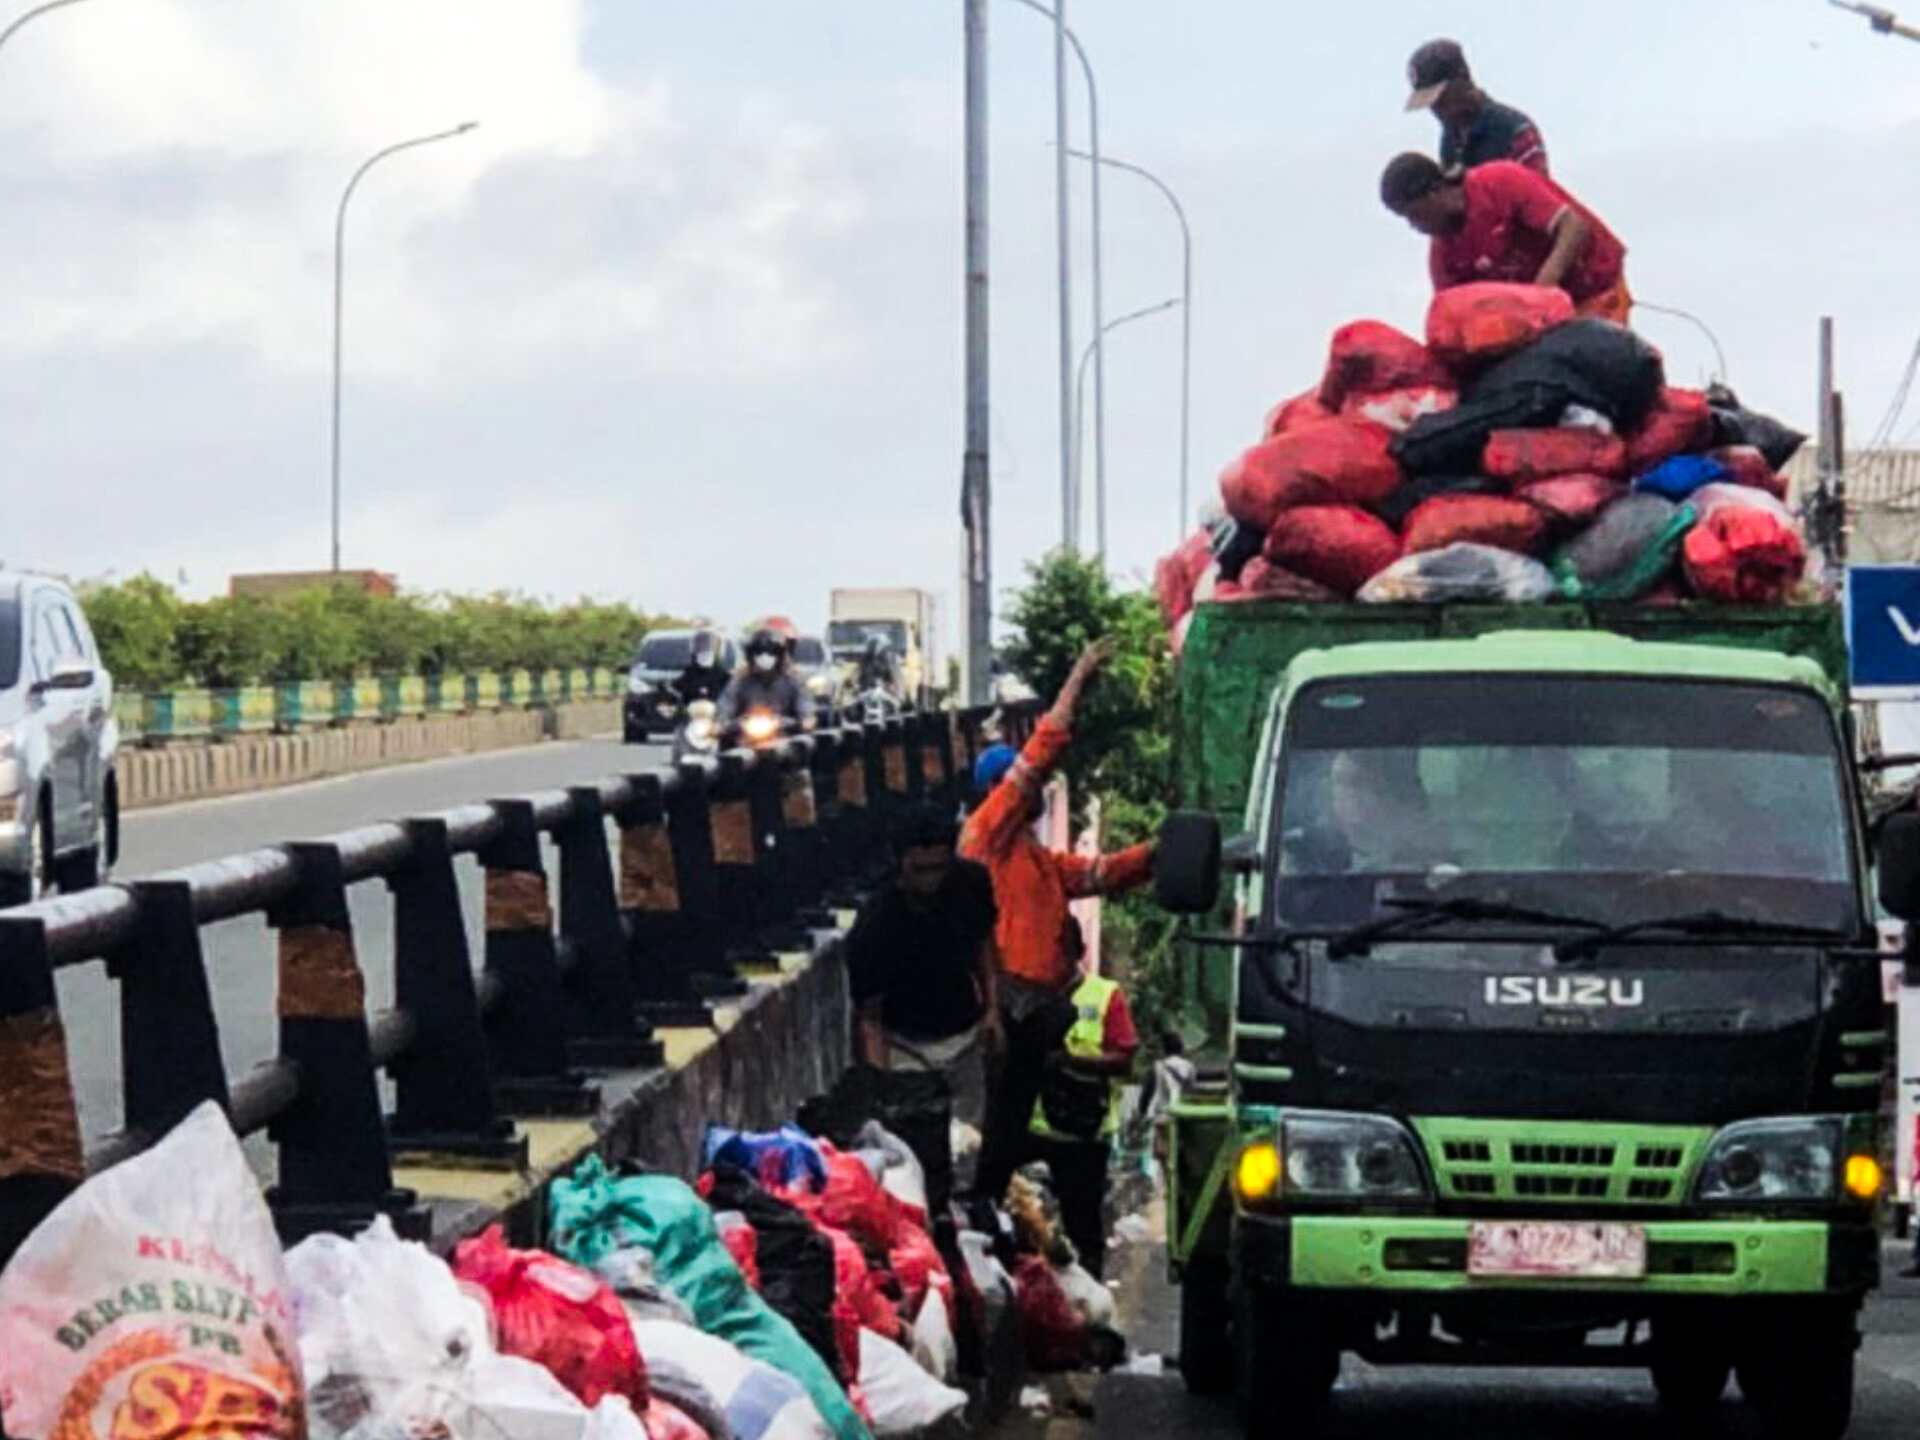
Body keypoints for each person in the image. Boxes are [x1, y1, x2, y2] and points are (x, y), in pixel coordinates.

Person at [961, 637, 1157, 1206]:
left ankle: (1000, 1212)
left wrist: (1163, 851)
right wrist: (1077, 680)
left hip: (1037, 1016)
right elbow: (1039, 755)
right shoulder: (987, 837)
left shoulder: (1035, 862)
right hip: (1009, 1009)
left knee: (1016, 1135)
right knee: (999, 1134)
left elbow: (1102, 873)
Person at [844, 803, 1000, 1130]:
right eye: (920, 870)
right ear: (901, 865)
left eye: (938, 869)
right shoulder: (875, 924)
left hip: (963, 1035)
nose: (931, 880)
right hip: (904, 1043)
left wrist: (992, 1011)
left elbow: (983, 944)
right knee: (915, 1139)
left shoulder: (970, 885)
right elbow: (869, 1018)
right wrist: (882, 1087)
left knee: (968, 1142)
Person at [1380, 153, 1631, 324]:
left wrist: (1539, 295)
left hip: (1594, 285)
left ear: (1435, 192)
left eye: (1415, 214)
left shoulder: (1500, 183)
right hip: (1543, 319)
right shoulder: (1444, 255)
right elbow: (1450, 316)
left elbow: (1574, 229)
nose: (1415, 226)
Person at [1025, 919, 1138, 1280]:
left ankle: (1088, 1307)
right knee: (1027, 1229)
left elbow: (1124, 1058)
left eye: (1059, 954)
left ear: (1078, 954)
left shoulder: (1105, 995)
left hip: (1084, 1137)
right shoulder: (1026, 995)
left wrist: (1072, 1061)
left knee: (1084, 1229)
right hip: (1031, 1134)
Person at [1404, 38, 1548, 175]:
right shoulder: (1450, 138)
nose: (1435, 109)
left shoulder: (1513, 129)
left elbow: (1537, 191)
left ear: (1461, 81)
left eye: (1440, 98)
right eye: (1429, 103)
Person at [718, 626, 813, 734]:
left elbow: (804, 704)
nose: (765, 657)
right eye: (759, 653)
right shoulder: (740, 681)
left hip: (784, 735)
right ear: (751, 657)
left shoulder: (792, 680)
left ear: (779, 656)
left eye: (770, 653)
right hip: (745, 737)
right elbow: (726, 702)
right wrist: (721, 722)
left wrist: (806, 719)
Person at [673, 630, 732, 706]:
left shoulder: (724, 676)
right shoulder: (689, 674)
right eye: (702, 654)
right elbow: (677, 689)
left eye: (709, 654)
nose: (705, 656)